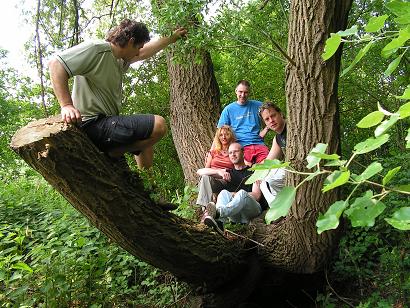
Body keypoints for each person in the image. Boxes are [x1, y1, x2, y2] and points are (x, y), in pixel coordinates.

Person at [48, 19, 187, 170]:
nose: (138, 52)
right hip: (91, 124)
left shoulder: (120, 60)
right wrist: (66, 105)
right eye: (138, 47)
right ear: (131, 41)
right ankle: (113, 152)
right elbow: (56, 64)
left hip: (107, 122)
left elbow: (145, 52)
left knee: (146, 137)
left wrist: (172, 38)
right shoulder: (96, 49)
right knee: (159, 125)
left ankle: (148, 181)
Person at [200, 142, 266, 234]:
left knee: (242, 193)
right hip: (234, 213)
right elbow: (200, 172)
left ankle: (218, 213)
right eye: (230, 153)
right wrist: (219, 172)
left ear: (243, 153)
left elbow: (257, 195)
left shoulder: (253, 171)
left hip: (252, 210)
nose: (233, 155)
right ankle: (219, 223)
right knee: (223, 193)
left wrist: (235, 194)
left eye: (236, 152)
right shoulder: (228, 173)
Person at [217, 80, 269, 165]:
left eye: (246, 92)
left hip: (259, 144)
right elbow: (220, 132)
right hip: (241, 146)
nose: (243, 95)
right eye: (240, 92)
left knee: (268, 166)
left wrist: (265, 130)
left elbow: (272, 116)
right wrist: (212, 151)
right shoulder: (228, 109)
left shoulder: (258, 105)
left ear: (249, 93)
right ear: (236, 91)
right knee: (247, 170)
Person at [196, 125, 236, 207]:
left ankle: (206, 209)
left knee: (205, 179)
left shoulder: (233, 151)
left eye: (226, 134)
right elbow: (205, 170)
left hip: (225, 180)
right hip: (211, 178)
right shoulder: (213, 152)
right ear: (218, 137)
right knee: (205, 177)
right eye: (221, 135)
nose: (223, 137)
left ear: (231, 136)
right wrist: (218, 171)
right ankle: (207, 208)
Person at [258, 101, 287, 205]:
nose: (271, 120)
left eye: (273, 115)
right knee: (262, 181)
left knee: (268, 180)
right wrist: (255, 171)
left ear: (280, 114)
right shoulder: (277, 138)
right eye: (267, 119)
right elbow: (268, 162)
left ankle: (278, 210)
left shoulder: (292, 128)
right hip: (290, 169)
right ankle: (281, 208)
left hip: (303, 167)